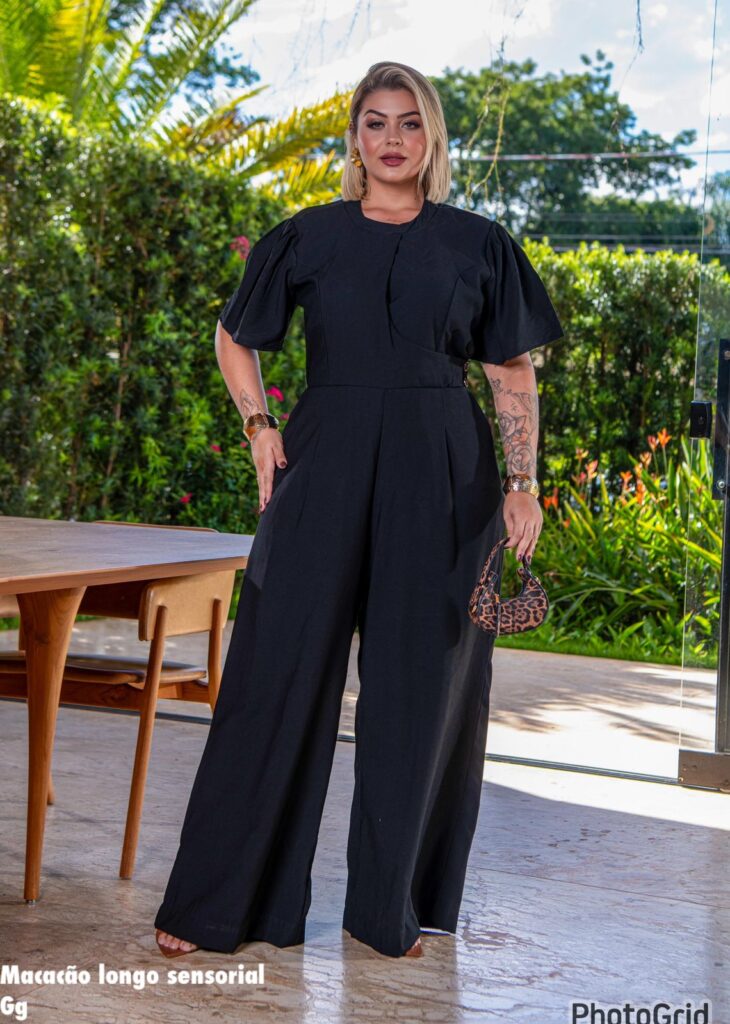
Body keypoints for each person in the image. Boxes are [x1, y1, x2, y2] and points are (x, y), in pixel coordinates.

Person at [153, 60, 564, 960]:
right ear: (354, 138)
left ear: (432, 137)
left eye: (409, 123)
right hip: (324, 458)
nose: (392, 139)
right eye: (375, 122)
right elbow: (234, 335)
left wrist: (522, 480)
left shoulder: (479, 243)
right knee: (274, 672)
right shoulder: (306, 236)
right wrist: (259, 425)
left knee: (422, 689)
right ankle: (221, 903)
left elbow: (510, 367)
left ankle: (390, 910)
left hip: (443, 468)